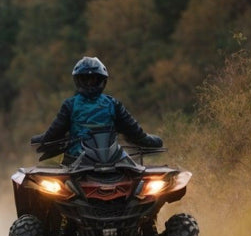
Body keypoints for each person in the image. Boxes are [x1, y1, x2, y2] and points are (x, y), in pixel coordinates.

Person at [32, 57, 162, 162]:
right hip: (110, 161)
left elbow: (54, 134)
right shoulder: (113, 103)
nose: (89, 83)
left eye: (93, 79)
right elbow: (135, 133)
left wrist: (42, 141)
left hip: (77, 162)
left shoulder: (71, 104)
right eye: (85, 79)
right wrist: (148, 141)